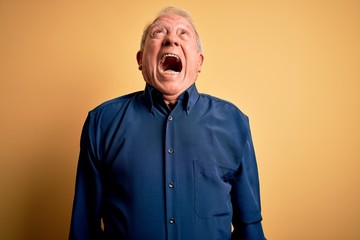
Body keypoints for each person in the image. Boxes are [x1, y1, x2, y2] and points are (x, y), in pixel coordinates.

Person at [69, 6, 266, 240]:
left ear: (199, 62)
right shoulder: (101, 123)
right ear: (141, 60)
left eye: (184, 34)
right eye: (158, 33)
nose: (171, 39)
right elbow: (83, 229)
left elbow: (250, 227)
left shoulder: (234, 122)